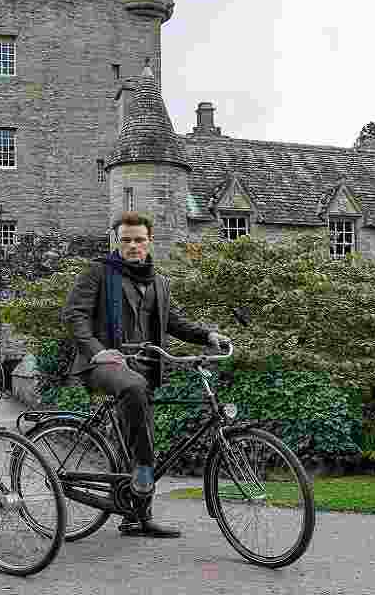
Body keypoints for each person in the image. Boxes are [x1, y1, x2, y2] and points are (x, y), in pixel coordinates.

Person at [62, 211, 231, 538]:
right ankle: (142, 471)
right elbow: (74, 315)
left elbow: (174, 323)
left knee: (143, 437)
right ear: (117, 241)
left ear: (149, 241)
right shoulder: (98, 272)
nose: (133, 245)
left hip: (143, 370)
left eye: (139, 240)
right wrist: (96, 350)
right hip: (102, 364)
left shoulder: (159, 282)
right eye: (126, 240)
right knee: (137, 411)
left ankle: (137, 517)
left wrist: (208, 335)